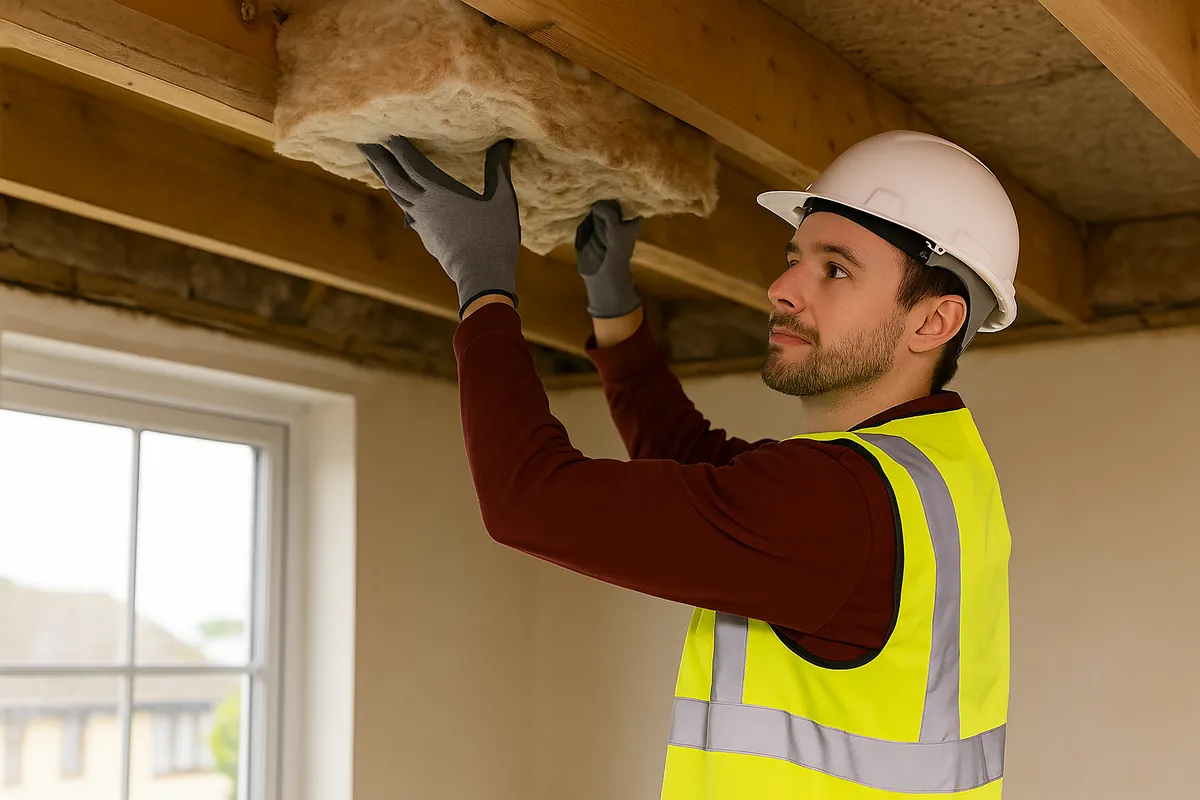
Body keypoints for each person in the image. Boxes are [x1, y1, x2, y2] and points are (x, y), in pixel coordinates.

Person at [358, 129, 1015, 799]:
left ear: (933, 322)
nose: (781, 287)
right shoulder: (931, 473)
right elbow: (710, 476)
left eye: (835, 268)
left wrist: (483, 281)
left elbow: (529, 499)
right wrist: (615, 312)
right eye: (795, 258)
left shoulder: (845, 502)